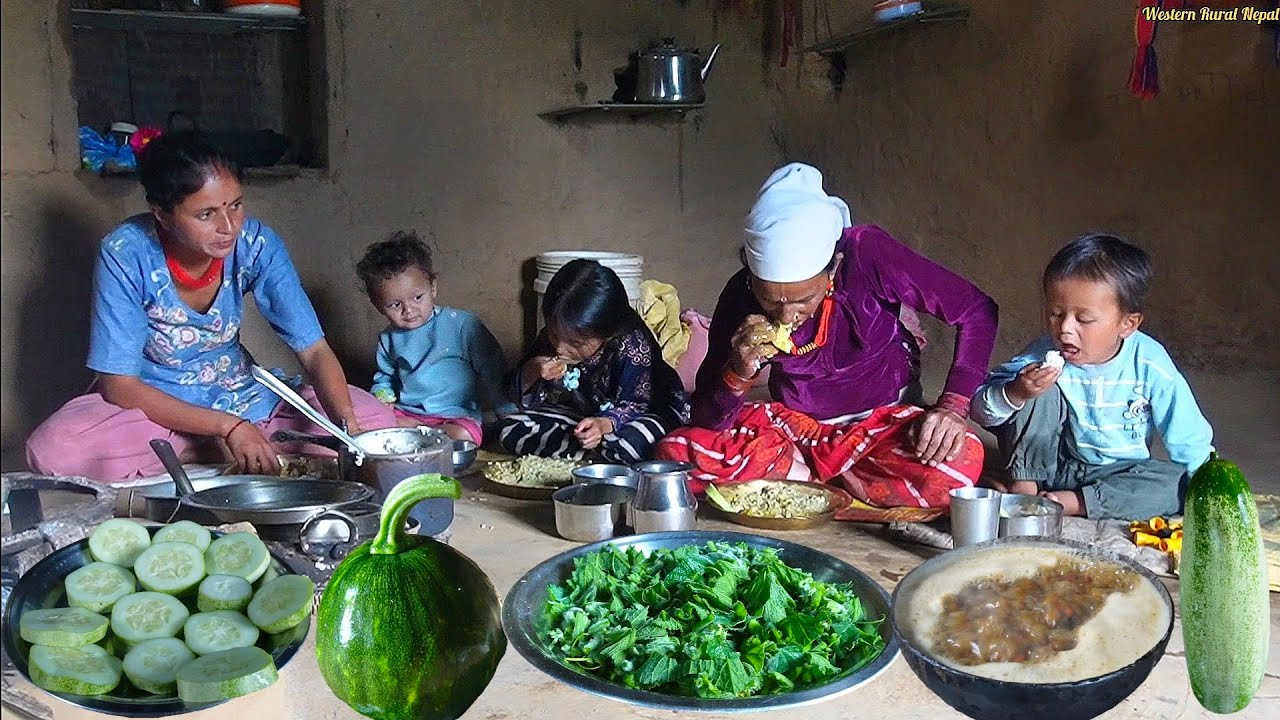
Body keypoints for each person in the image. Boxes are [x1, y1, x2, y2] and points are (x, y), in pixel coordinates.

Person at [24, 131, 394, 483]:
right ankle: (218, 445)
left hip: (242, 393)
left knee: (377, 420)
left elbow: (313, 350)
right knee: (55, 448)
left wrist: (347, 431)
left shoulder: (257, 244)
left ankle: (218, 448)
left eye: (235, 206)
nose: (229, 226)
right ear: (161, 213)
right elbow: (118, 386)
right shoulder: (126, 254)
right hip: (155, 408)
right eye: (206, 215)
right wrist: (226, 427)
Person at [655, 162, 998, 509]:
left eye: (804, 299)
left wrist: (953, 407)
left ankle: (807, 483)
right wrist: (737, 373)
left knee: (961, 457)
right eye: (770, 300)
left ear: (833, 268)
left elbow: (977, 311)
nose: (787, 315)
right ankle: (836, 484)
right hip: (797, 431)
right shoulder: (739, 295)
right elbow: (706, 419)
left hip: (881, 425)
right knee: (678, 450)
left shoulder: (867, 253)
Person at [970, 234, 1213, 520]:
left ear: (1128, 324)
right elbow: (980, 409)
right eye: (1055, 314)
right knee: (1038, 387)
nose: (1065, 329)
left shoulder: (1150, 362)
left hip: (1119, 472)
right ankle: (1024, 488)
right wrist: (1017, 392)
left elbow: (1188, 434)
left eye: (1083, 319)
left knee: (1178, 486)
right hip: (1053, 467)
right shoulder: (1043, 354)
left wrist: (1206, 488)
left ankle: (1077, 502)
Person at [496, 259, 690, 463]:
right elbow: (515, 394)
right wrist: (534, 369)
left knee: (629, 444)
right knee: (509, 428)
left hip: (643, 414)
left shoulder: (633, 342)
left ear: (606, 334)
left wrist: (604, 424)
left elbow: (636, 404)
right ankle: (595, 455)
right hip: (584, 415)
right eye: (554, 335)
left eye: (576, 342)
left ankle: (592, 453)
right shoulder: (558, 332)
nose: (560, 348)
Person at [356, 230, 512, 444]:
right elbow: (385, 378)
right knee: (372, 427)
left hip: (454, 416)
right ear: (378, 306)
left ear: (433, 287)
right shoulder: (389, 339)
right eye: (395, 305)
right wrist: (383, 398)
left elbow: (492, 369)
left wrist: (506, 409)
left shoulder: (462, 325)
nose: (409, 310)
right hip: (408, 414)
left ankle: (425, 437)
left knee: (464, 435)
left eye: (417, 297)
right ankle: (424, 435)